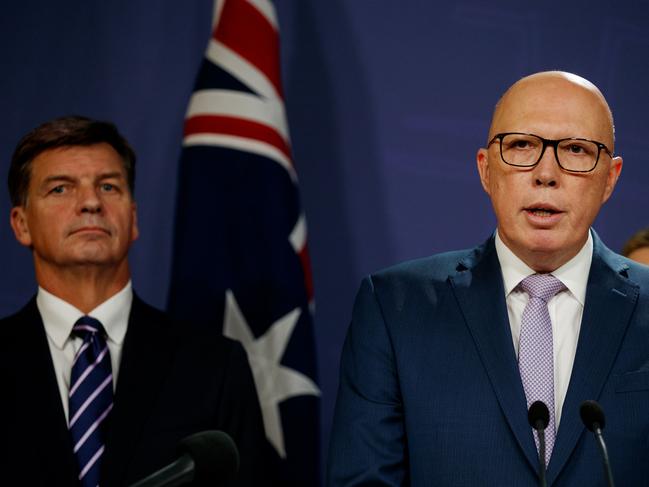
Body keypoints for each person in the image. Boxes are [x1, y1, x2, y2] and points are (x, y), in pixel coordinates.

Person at [327, 72, 649, 486]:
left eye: (575, 150)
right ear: (485, 169)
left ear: (610, 178)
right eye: (521, 146)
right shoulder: (396, 309)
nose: (546, 173)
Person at [0, 116, 267, 486]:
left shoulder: (215, 367)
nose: (91, 202)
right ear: (21, 224)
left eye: (109, 187)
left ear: (134, 218)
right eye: (60, 189)